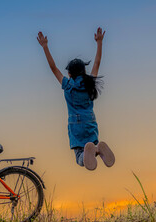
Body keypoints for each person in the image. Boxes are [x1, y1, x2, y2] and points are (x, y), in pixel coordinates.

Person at [37, 27, 115, 171]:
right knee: (90, 149)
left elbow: (53, 68)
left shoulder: (68, 85)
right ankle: (98, 149)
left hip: (76, 126)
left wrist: (45, 47)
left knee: (81, 158)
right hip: (90, 122)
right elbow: (97, 63)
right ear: (84, 71)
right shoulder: (89, 83)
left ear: (69, 73)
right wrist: (99, 43)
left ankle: (91, 150)